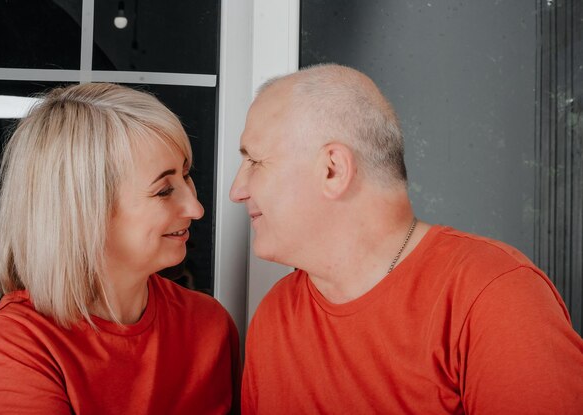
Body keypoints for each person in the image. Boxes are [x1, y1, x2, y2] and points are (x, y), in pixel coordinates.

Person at [230, 64, 583, 414]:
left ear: (332, 170)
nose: (237, 190)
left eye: (255, 162)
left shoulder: (494, 296)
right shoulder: (276, 315)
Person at [0, 83, 240, 414]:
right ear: (84, 211)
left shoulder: (210, 325)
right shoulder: (17, 341)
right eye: (164, 190)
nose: (195, 208)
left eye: (186, 176)